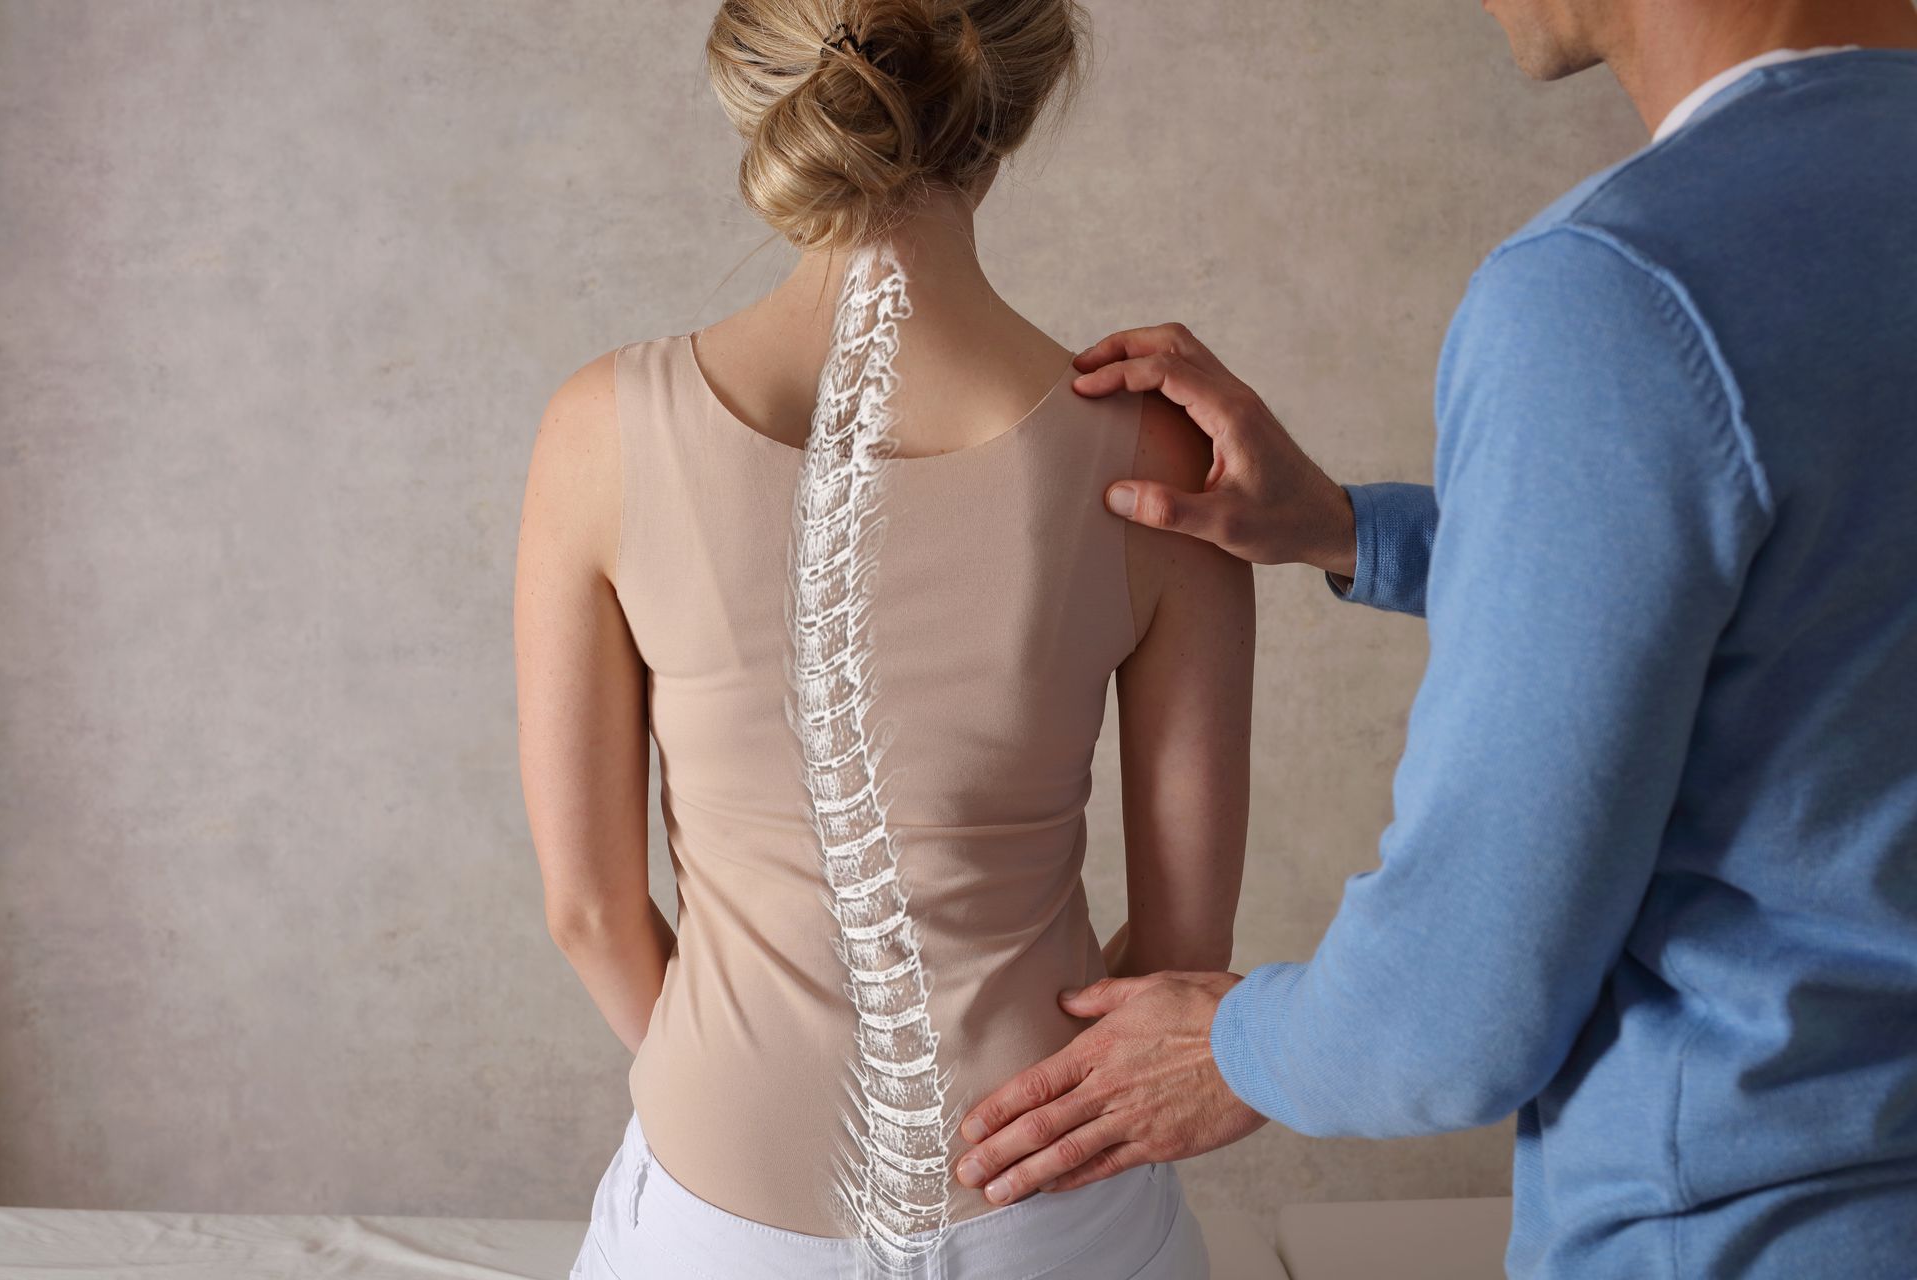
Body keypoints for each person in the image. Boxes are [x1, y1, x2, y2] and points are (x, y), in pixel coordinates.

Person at [946, 1, 1917, 1276]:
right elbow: (1822, 600)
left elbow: (1458, 1013)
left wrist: (1235, 1046)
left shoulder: (1620, 293)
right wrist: (1356, 530)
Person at [512, 1, 1253, 1276]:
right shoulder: (1164, 453)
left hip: (716, 1214)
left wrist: (735, 1080)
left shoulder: (601, 431)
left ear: (772, 85)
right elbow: (1186, 953)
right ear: (1009, 102)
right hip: (1043, 1197)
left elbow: (588, 908)